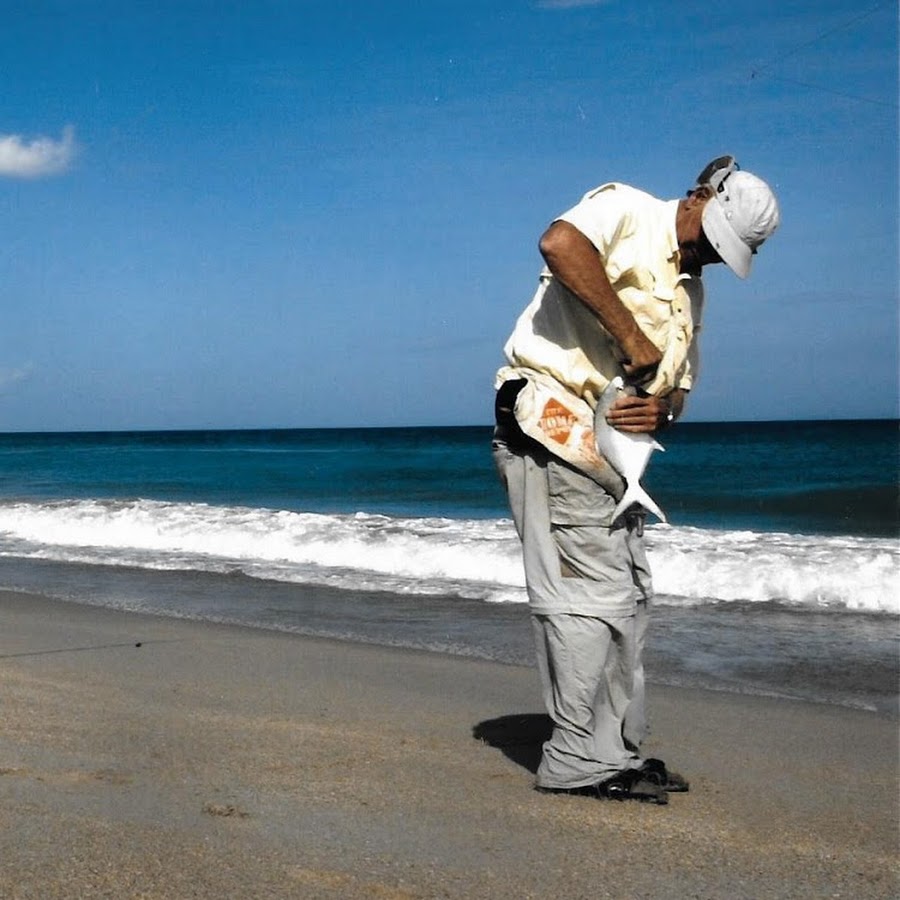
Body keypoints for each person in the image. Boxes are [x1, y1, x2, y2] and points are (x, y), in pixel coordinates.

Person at [492, 156, 780, 805]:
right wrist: (629, 335)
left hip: (611, 455)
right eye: (712, 238)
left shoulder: (689, 290)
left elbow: (674, 391)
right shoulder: (625, 209)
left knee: (631, 596)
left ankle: (614, 748)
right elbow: (559, 244)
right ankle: (574, 757)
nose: (709, 255)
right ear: (701, 197)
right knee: (587, 597)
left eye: (723, 253)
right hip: (550, 420)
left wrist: (663, 407)